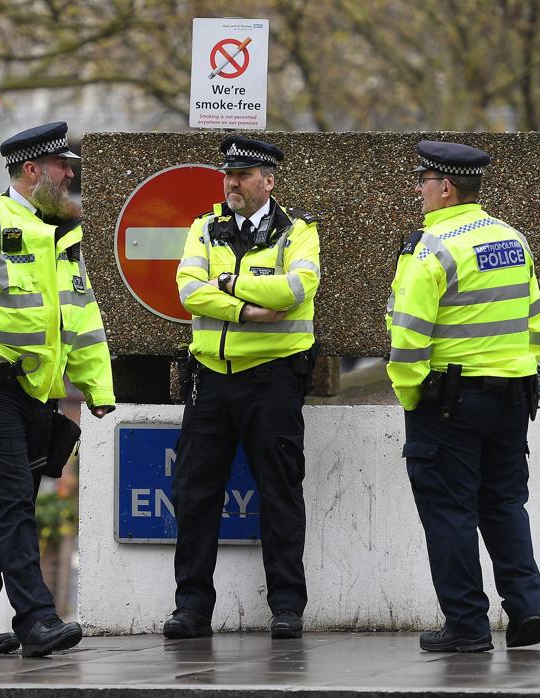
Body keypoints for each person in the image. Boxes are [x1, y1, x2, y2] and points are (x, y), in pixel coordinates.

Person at [0, 121, 115, 658]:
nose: (71, 173)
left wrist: (97, 385)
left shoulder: (64, 233)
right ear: (33, 171)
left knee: (1, 510)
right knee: (12, 505)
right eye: (62, 166)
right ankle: (36, 618)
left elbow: (82, 315)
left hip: (41, 396)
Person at [387, 140, 540, 653]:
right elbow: (537, 322)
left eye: (423, 180)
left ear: (446, 187)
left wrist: (412, 397)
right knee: (504, 504)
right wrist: (517, 370)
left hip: (449, 403)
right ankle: (525, 612)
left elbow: (409, 333)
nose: (418, 189)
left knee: (449, 512)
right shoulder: (511, 238)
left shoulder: (431, 247)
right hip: (514, 396)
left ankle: (466, 626)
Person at [167, 136, 320, 640]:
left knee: (279, 493)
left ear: (268, 181)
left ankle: (286, 607)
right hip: (210, 379)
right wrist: (246, 307)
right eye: (227, 174)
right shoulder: (204, 228)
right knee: (194, 494)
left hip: (271, 381)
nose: (231, 183)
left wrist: (227, 285)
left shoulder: (298, 232)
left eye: (243, 175)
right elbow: (189, 290)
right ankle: (191, 608)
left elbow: (295, 291)